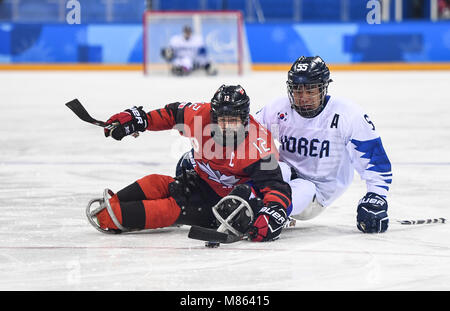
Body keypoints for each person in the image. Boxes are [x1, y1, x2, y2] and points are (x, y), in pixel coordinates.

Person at [177, 56, 392, 234]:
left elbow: (374, 159)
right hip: (282, 176)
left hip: (318, 190)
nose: (303, 97)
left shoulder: (347, 115)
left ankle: (262, 211)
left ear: (323, 88)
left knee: (303, 188)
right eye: (298, 90)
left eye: (311, 90)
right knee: (276, 167)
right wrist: (207, 160)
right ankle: (233, 202)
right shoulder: (279, 108)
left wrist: (376, 196)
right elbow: (245, 136)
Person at [87, 85, 292, 242]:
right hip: (200, 182)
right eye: (222, 119)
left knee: (168, 209)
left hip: (224, 205)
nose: (228, 127)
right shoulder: (199, 115)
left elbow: (276, 186)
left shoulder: (259, 144)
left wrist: (274, 213)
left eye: (234, 120)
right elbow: (170, 114)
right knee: (156, 182)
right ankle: (114, 207)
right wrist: (141, 120)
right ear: (213, 116)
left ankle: (112, 216)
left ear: (245, 119)